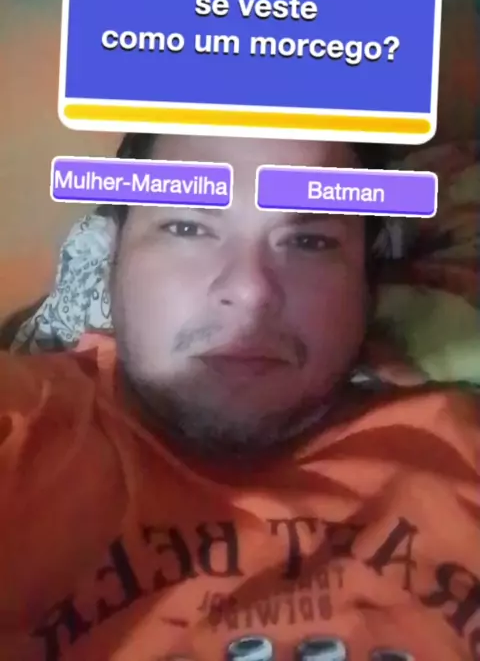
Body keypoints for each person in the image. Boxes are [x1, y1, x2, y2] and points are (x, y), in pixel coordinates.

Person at [0, 132, 478, 661]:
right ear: (112, 255)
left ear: (369, 282)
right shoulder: (21, 421)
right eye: (186, 227)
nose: (251, 290)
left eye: (310, 241)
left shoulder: (463, 452)